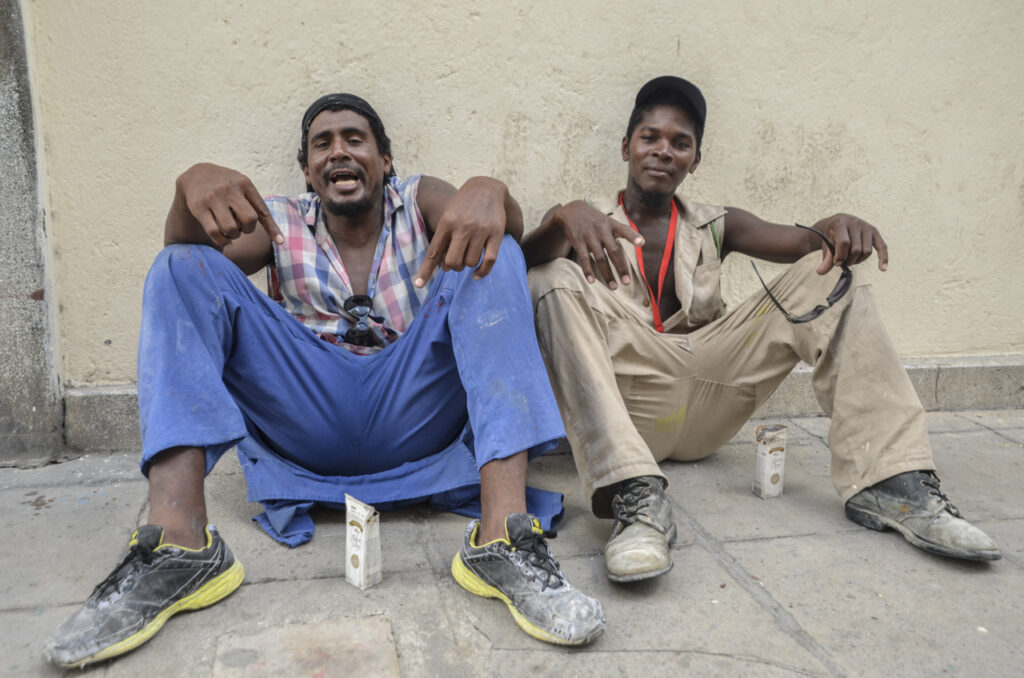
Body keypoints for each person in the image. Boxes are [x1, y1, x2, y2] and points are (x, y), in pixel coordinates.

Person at [45, 93, 605, 668]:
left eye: (355, 139)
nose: (340, 151)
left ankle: (503, 537)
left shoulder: (417, 200)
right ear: (308, 169)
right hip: (307, 412)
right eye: (323, 143)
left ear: (386, 161)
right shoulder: (281, 220)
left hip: (413, 408)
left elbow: (494, 221)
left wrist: (491, 188)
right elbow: (190, 253)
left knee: (495, 253)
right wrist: (188, 188)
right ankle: (178, 546)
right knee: (179, 267)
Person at [523, 76, 1000, 584]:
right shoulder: (587, 227)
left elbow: (804, 243)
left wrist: (834, 226)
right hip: (631, 404)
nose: (663, 151)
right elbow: (519, 270)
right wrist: (558, 221)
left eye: (680, 143)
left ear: (695, 160)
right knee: (548, 276)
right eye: (650, 137)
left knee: (830, 274)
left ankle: (890, 482)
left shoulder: (715, 224)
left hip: (713, 392)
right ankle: (636, 502)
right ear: (626, 147)